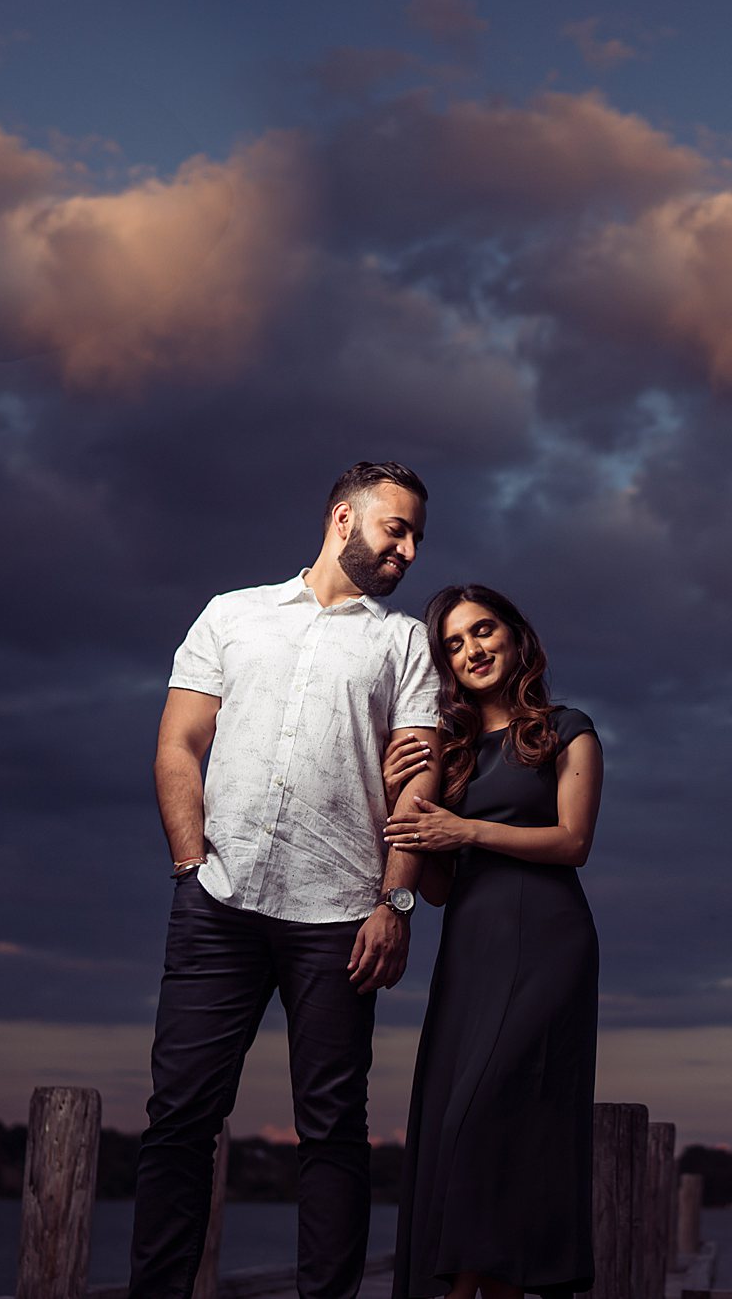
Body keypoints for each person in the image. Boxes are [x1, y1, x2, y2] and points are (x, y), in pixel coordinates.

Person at [131, 462, 444, 1299]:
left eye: (416, 537)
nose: (409, 550)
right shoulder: (229, 616)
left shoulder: (404, 641)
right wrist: (190, 866)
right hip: (218, 904)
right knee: (180, 1121)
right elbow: (178, 745)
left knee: (334, 1129)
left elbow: (420, 786)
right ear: (344, 519)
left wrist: (396, 902)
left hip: (343, 915)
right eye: (397, 529)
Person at [382, 584, 604, 1299]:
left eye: (483, 631)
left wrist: (467, 829)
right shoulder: (447, 757)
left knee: (489, 1116)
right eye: (454, 642)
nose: (473, 649)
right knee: (462, 1126)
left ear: (515, 637)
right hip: (470, 950)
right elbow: (440, 887)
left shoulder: (568, 729)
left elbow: (573, 843)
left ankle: (459, 1291)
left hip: (548, 944)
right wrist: (406, 803)